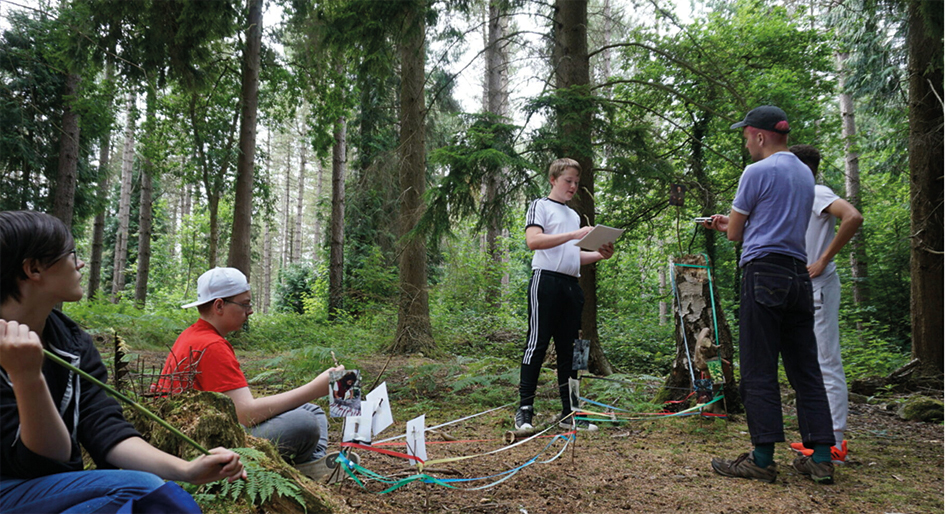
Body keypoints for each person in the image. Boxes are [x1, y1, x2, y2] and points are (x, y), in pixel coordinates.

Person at [0, 210, 245, 514]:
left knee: (152, 497)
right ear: (33, 268)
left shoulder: (72, 341)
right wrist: (27, 377)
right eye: (71, 253)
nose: (80, 263)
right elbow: (49, 457)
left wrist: (186, 470)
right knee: (141, 489)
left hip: (54, 490)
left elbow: (105, 429)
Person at [701, 106, 836, 484]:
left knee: (759, 368)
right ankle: (821, 457)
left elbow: (735, 233)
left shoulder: (756, 172)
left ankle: (761, 459)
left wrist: (729, 223)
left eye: (746, 136)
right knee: (806, 369)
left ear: (760, 135)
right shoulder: (805, 175)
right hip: (798, 275)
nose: (745, 143)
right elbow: (773, 221)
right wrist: (742, 223)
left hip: (763, 273)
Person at [156, 267, 357, 483]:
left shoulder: (194, 334)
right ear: (219, 305)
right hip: (205, 444)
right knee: (305, 421)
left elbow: (236, 408)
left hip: (206, 429)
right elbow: (245, 415)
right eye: (244, 304)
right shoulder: (211, 345)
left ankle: (309, 467)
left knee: (313, 412)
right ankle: (303, 471)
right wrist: (314, 388)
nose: (250, 311)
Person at [515, 158, 615, 432]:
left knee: (573, 351)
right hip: (545, 281)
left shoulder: (573, 215)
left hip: (572, 285)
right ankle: (525, 410)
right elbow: (533, 241)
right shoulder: (540, 206)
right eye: (567, 181)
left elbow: (572, 256)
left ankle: (571, 412)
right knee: (536, 344)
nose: (572, 186)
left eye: (576, 182)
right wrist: (574, 233)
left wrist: (599, 255)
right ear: (553, 180)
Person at [788, 144, 863, 464]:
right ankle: (818, 436)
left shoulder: (816, 191)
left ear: (803, 169)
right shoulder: (797, 197)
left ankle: (835, 441)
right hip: (801, 287)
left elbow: (853, 217)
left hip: (819, 284)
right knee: (808, 362)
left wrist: (823, 259)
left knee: (826, 360)